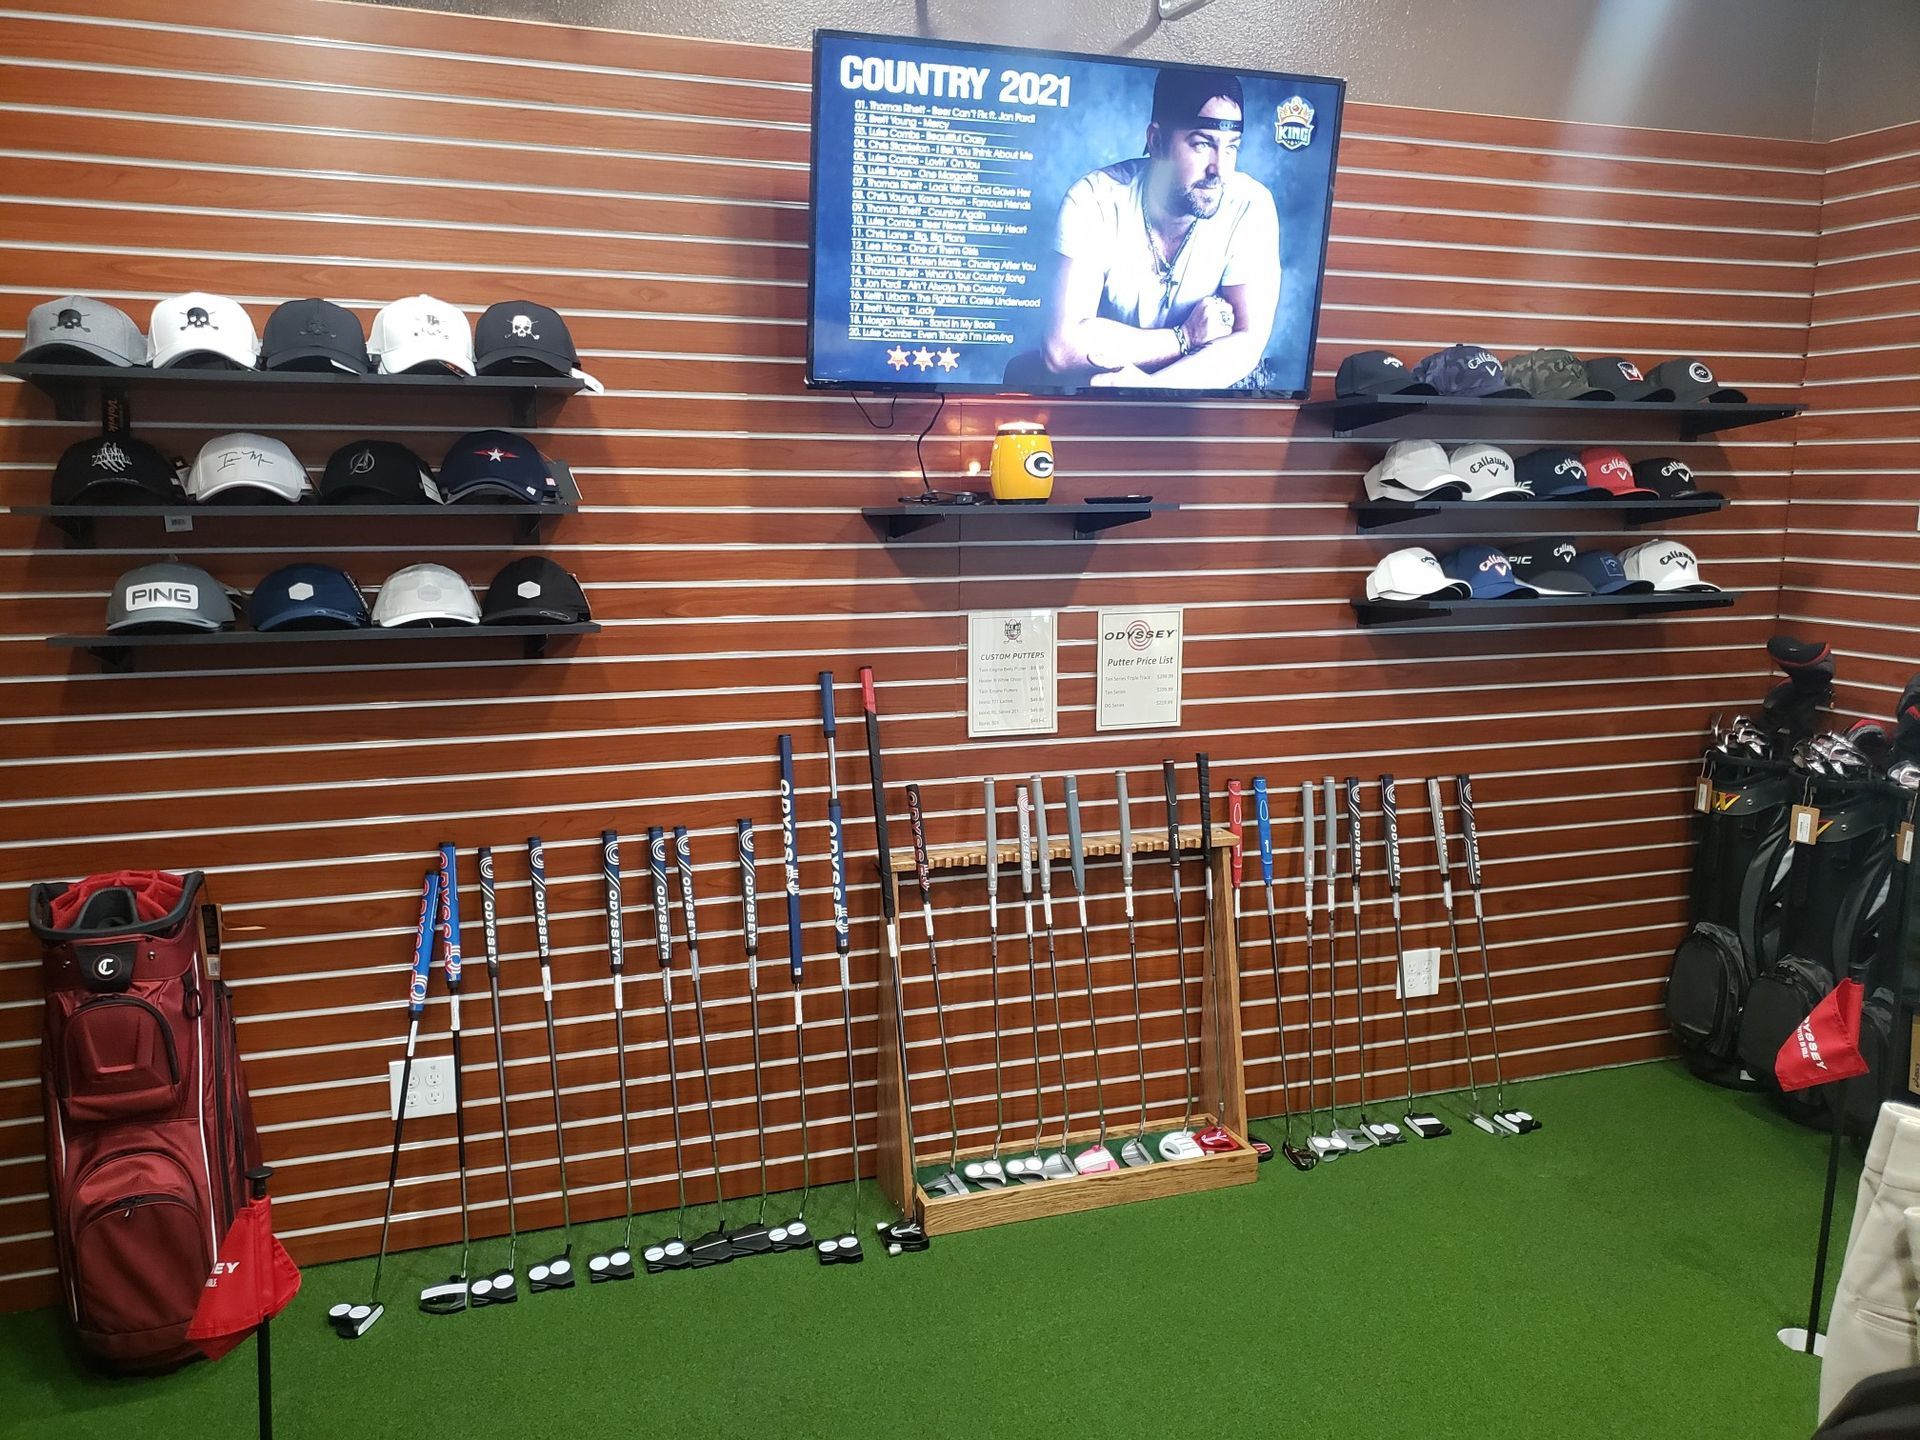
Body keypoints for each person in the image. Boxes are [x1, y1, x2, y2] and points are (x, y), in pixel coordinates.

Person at [1038, 66, 1281, 390]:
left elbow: (1247, 343)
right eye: (1202, 144)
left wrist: (1149, 386)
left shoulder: (1250, 205)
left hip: (1189, 403)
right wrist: (1185, 337)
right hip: (1097, 401)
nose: (1219, 169)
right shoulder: (1094, 199)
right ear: (1156, 141)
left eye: (1231, 147)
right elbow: (1061, 349)